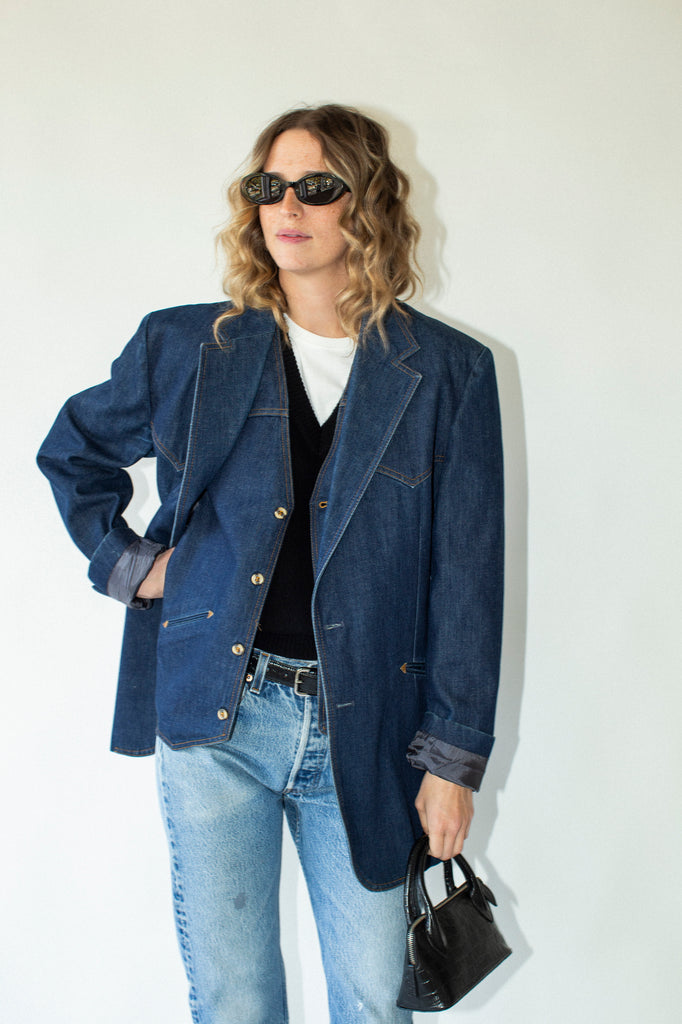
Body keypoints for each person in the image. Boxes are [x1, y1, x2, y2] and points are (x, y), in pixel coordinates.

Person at [37, 104, 504, 1024]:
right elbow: (74, 452)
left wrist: (452, 762)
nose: (287, 207)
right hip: (217, 715)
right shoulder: (188, 346)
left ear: (368, 203)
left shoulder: (447, 372)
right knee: (235, 999)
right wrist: (134, 565)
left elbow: (468, 580)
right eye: (269, 186)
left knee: (374, 1000)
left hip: (367, 728)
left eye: (316, 187)